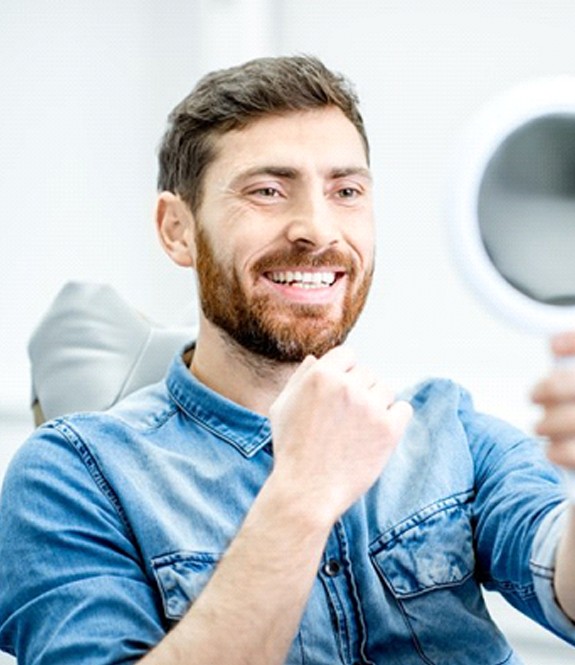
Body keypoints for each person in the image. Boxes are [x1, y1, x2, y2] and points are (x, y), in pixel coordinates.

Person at [1, 55, 575, 665]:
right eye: (268, 191)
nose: (317, 229)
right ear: (177, 229)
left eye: (345, 191)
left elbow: (559, 576)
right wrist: (303, 491)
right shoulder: (72, 476)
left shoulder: (448, 428)